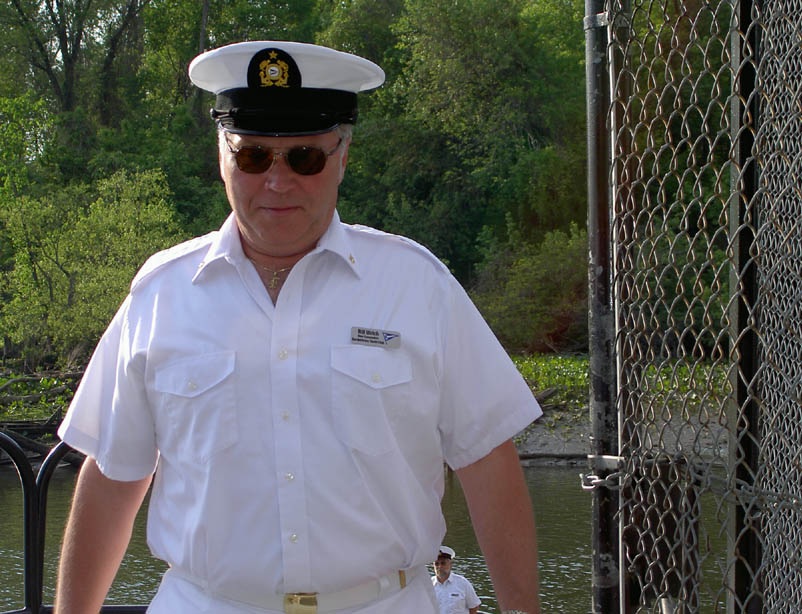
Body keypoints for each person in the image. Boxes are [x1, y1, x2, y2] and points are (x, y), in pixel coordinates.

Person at [54, 40, 541, 614]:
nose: (277, 181)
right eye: (253, 156)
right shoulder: (161, 294)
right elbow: (113, 476)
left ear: (343, 155)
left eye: (304, 157)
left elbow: (487, 460)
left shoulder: (417, 285)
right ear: (221, 154)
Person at [432, 547, 481, 614]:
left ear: (451, 564)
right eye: (436, 564)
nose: (439, 567)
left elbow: (474, 607)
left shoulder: (462, 583)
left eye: (443, 563)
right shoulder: (429, 584)